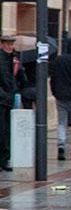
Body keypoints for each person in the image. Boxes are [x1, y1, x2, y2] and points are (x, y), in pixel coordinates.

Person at [0, 35, 24, 171]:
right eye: (7, 44)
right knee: (2, 130)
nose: (10, 47)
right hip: (2, 98)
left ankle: (5, 159)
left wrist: (18, 68)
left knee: (7, 130)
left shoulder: (14, 59)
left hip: (10, 98)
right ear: (2, 44)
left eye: (11, 44)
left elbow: (22, 79)